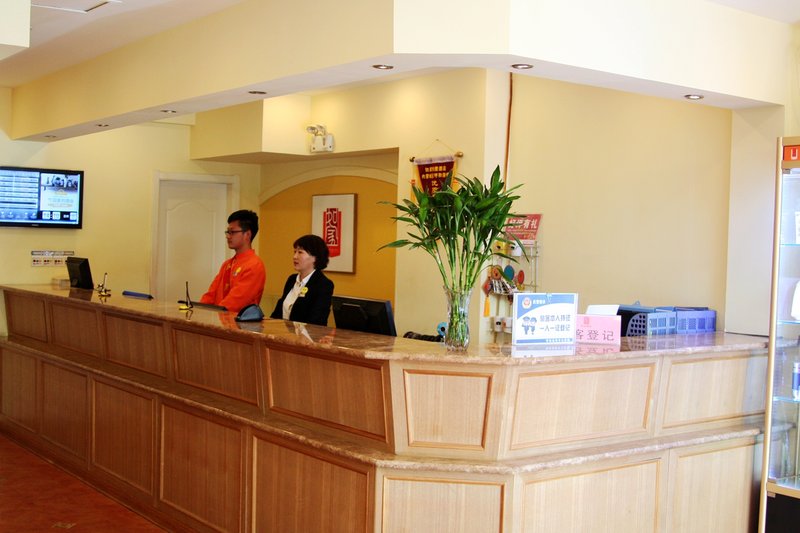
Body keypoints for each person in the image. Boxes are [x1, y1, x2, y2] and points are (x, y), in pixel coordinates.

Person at [199, 209, 266, 312]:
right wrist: (199, 309)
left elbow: (235, 303)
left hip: (237, 321)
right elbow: (211, 295)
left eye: (232, 232)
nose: (228, 236)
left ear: (247, 234)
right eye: (227, 232)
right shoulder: (227, 264)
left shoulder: (254, 265)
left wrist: (213, 314)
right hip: (218, 318)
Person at [270, 234, 334, 326]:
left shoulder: (323, 284)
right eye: (294, 252)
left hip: (309, 334)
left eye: (300, 252)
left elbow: (316, 321)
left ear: (315, 257)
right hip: (284, 333)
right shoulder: (292, 280)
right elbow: (277, 313)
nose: (295, 256)